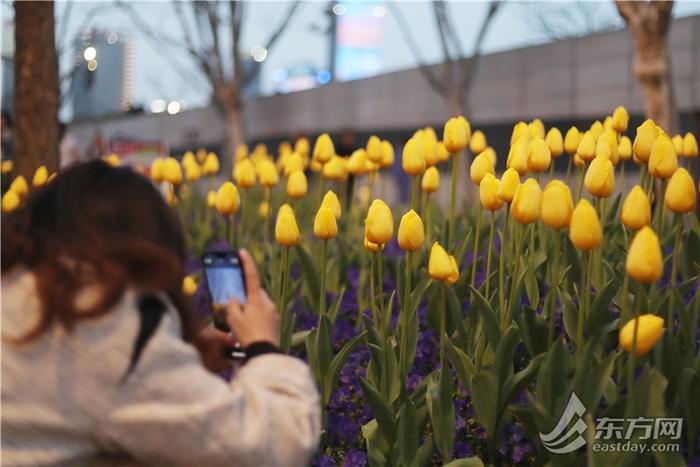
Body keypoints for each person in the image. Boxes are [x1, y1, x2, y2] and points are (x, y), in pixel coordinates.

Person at [1, 160, 320, 466]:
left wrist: (183, 354)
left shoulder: (18, 285)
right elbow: (272, 446)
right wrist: (264, 348)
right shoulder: (101, 324)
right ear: (148, 251)